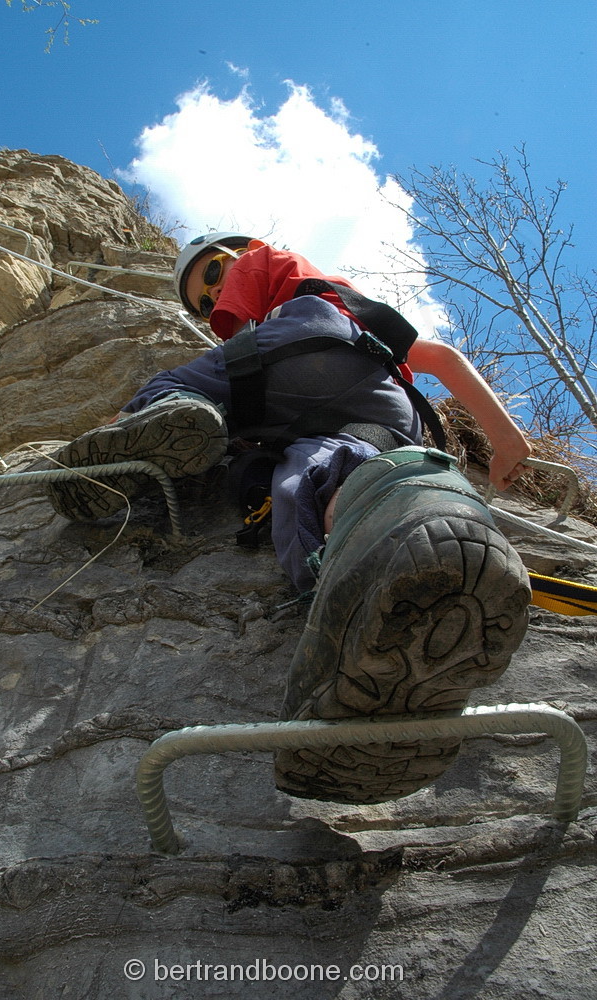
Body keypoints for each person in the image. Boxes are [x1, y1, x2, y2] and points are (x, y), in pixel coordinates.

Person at [47, 233, 532, 804]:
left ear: (239, 254)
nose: (213, 300)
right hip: (380, 396)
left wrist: (109, 425)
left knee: (173, 386)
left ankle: (172, 414)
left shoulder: (270, 276)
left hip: (292, 351)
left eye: (211, 277)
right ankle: (401, 545)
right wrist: (504, 439)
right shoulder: (356, 307)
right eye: (203, 307)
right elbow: (443, 359)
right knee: (330, 477)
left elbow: (257, 327)